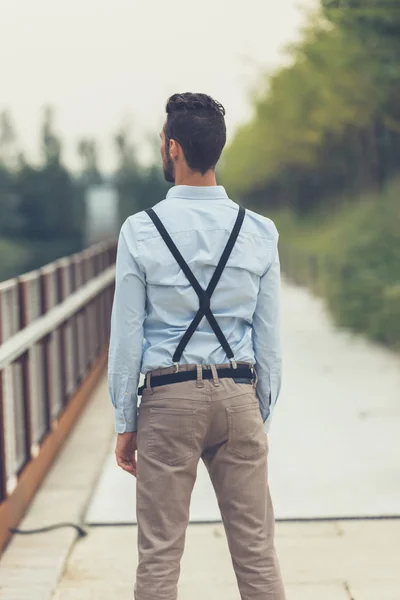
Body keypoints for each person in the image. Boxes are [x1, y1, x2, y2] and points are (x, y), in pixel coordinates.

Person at [108, 92, 286, 600]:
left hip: (168, 400)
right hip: (239, 395)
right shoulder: (259, 231)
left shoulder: (140, 231)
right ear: (217, 150)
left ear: (173, 149)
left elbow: (127, 336)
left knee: (160, 556)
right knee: (256, 552)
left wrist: (126, 419)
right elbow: (269, 339)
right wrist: (258, 414)